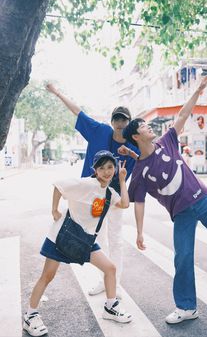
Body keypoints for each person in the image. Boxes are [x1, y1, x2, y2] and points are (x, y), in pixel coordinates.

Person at [120, 74, 207, 324]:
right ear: (136, 137)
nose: (148, 126)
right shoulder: (140, 172)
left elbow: (183, 114)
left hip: (203, 199)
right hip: (181, 213)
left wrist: (198, 90)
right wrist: (139, 232)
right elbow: (138, 203)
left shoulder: (167, 142)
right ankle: (186, 306)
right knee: (182, 257)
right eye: (142, 126)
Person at [23, 151, 132, 337]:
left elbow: (124, 204)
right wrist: (54, 210)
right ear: (95, 170)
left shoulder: (109, 193)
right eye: (102, 168)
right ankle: (30, 315)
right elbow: (59, 186)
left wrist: (122, 180)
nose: (106, 171)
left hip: (85, 240)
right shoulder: (86, 184)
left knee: (110, 269)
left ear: (114, 169)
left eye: (110, 167)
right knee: (47, 276)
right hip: (62, 236)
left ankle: (110, 307)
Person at [46, 83, 139, 298]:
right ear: (112, 121)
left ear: (129, 123)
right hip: (93, 194)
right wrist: (58, 92)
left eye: (124, 119)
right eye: (117, 118)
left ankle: (114, 282)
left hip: (114, 198)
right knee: (98, 237)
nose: (120, 123)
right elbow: (78, 111)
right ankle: (104, 279)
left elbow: (144, 160)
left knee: (115, 239)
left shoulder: (132, 147)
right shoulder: (100, 131)